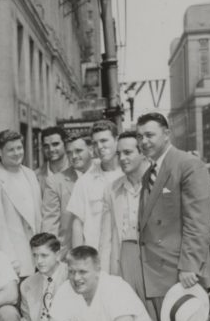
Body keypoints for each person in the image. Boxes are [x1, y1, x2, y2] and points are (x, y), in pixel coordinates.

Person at [136, 112, 210, 321]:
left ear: (167, 133)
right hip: (158, 270)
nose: (143, 141)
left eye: (150, 135)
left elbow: (198, 221)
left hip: (180, 273)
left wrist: (189, 267)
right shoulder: (150, 171)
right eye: (140, 136)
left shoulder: (187, 164)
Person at [0, 129, 42, 279]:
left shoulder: (30, 174)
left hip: (38, 256)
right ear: (0, 151)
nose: (16, 153)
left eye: (19, 148)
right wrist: (10, 261)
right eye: (11, 150)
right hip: (16, 260)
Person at [99, 130, 150, 303]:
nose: (122, 158)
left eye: (128, 153)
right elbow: (106, 236)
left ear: (143, 153)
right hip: (124, 259)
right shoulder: (112, 189)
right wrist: (105, 275)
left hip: (154, 260)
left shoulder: (158, 183)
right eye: (119, 153)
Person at [68, 120, 123, 251]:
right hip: (95, 255)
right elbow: (77, 223)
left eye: (104, 141)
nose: (100, 146)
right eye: (95, 143)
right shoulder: (85, 181)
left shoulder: (128, 174)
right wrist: (79, 258)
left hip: (125, 253)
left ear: (117, 140)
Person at [42, 133, 92, 253]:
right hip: (69, 253)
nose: (74, 156)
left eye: (78, 151)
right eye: (69, 152)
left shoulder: (103, 175)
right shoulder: (55, 182)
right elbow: (50, 224)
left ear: (91, 149)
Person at [36, 125, 71, 190]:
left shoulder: (78, 171)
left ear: (65, 144)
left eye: (55, 144)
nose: (51, 149)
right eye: (46, 146)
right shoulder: (36, 176)